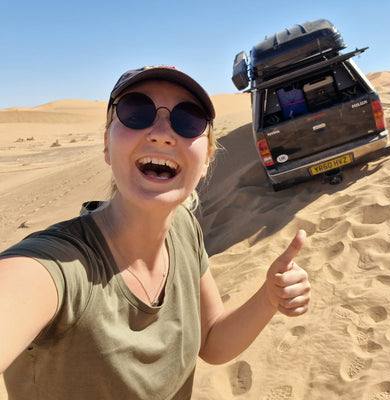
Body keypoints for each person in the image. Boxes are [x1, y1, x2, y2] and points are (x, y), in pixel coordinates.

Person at [0, 65, 311, 399]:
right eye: (136, 112)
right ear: (106, 144)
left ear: (206, 160)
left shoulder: (185, 228)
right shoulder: (55, 266)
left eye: (188, 120)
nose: (162, 133)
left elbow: (211, 341)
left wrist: (268, 297)